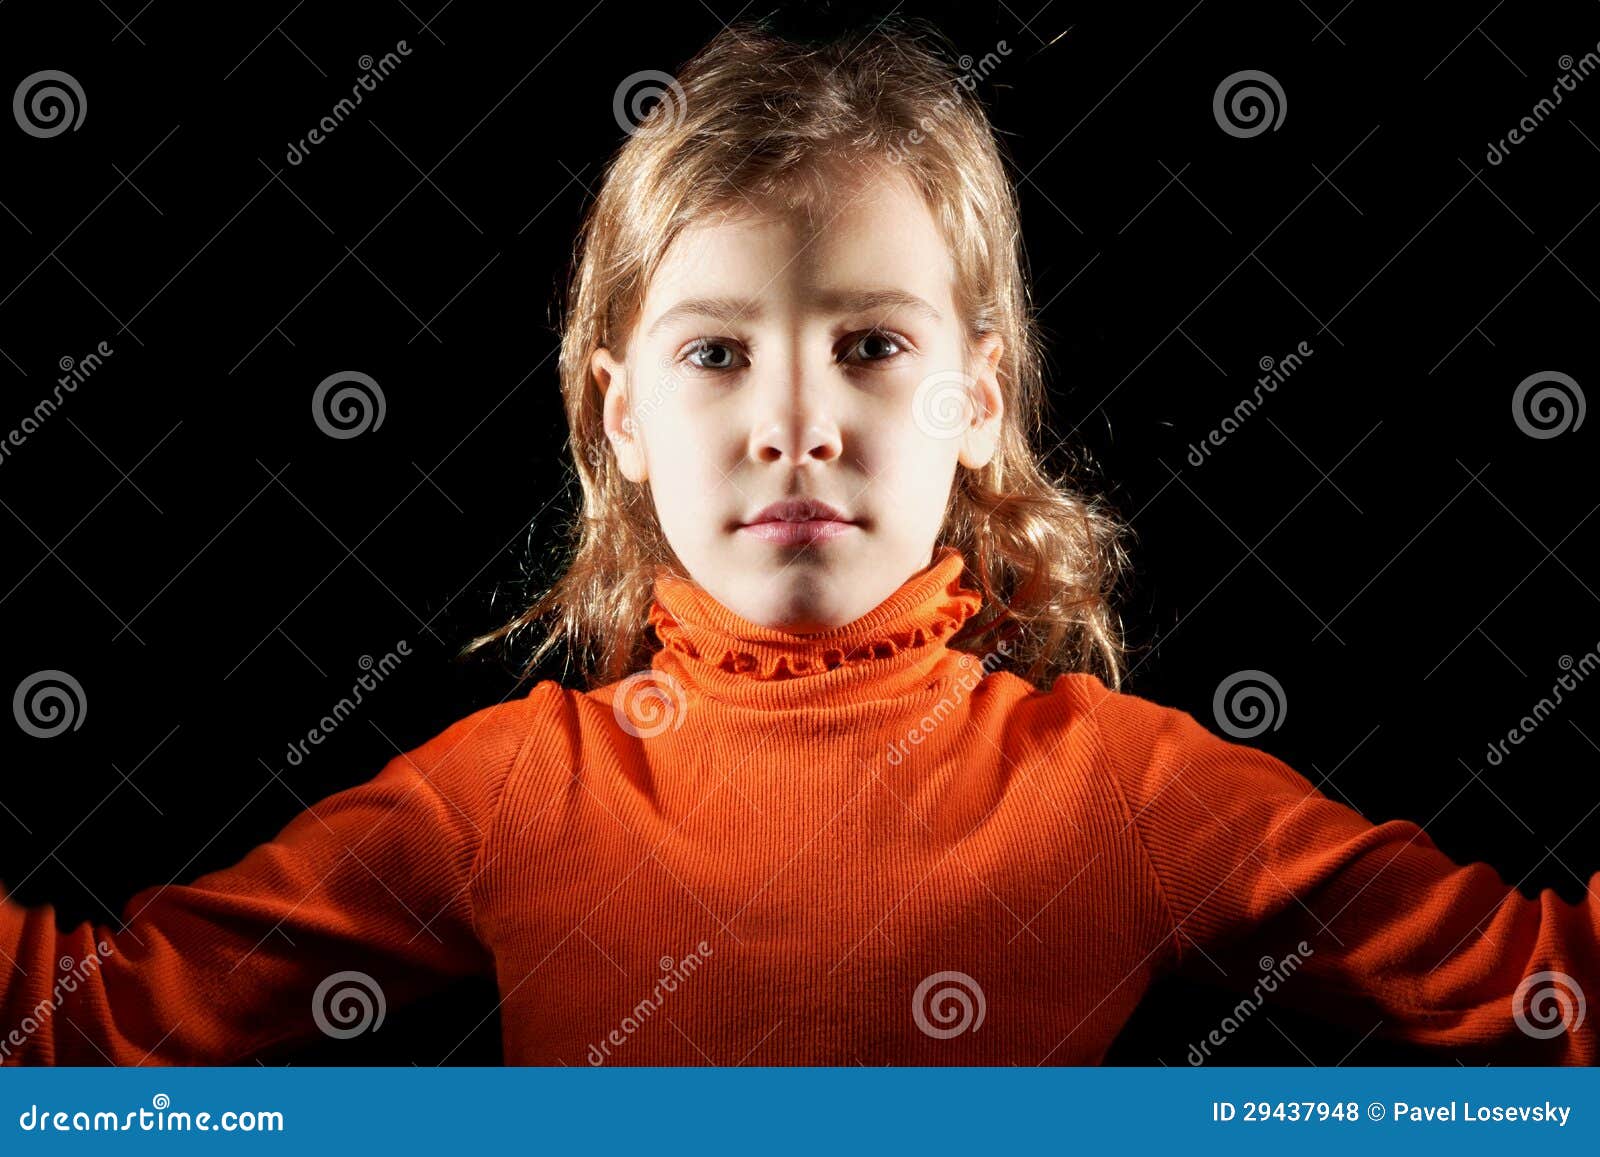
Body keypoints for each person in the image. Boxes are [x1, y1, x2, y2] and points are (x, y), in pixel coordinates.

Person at [2, 15, 1593, 1067]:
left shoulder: (1124, 785)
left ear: (979, 393)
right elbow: (85, 1029)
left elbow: (1549, 996)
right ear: (620, 412)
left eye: (871, 345)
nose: (795, 423)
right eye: (715, 353)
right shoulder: (511, 790)